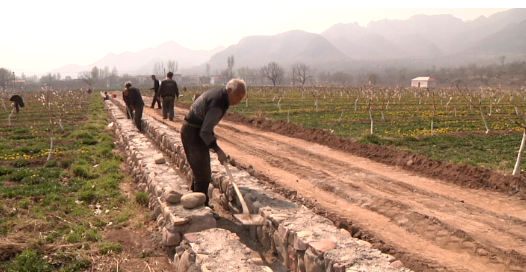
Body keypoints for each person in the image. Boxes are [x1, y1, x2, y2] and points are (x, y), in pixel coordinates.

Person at [181, 78, 246, 207]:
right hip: (193, 135)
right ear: (229, 90)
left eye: (242, 97)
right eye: (238, 96)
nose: (239, 101)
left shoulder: (218, 95)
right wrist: (217, 150)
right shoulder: (218, 104)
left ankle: (195, 201)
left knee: (200, 171)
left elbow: (206, 127)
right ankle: (202, 208)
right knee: (203, 174)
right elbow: (205, 132)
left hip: (192, 131)